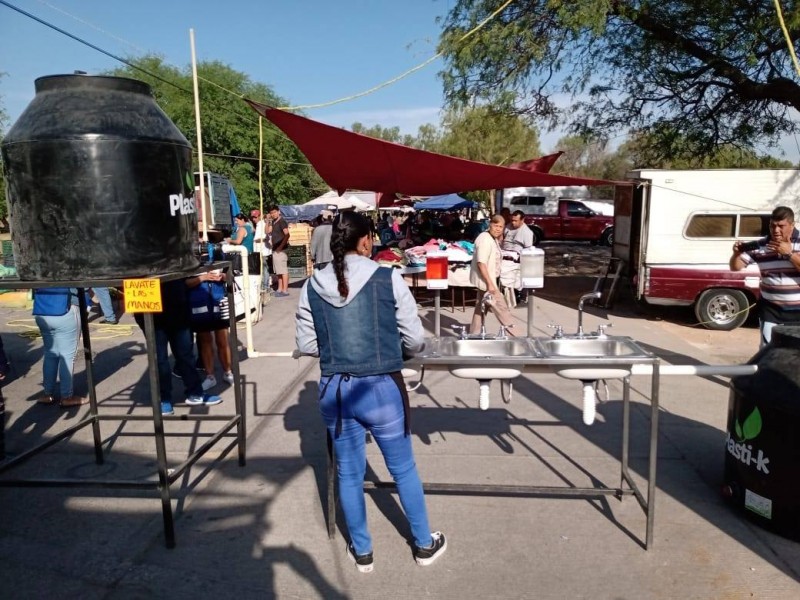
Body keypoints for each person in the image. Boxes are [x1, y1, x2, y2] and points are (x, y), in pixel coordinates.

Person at [295, 211, 446, 573]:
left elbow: (307, 344)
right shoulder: (388, 278)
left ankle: (363, 552)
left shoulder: (312, 285)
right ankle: (423, 544)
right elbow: (414, 340)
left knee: (349, 473)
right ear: (365, 241)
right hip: (382, 390)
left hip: (336, 391)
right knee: (403, 469)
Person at [134, 279, 222, 415]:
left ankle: (195, 392)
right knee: (159, 358)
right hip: (147, 303)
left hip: (176, 304)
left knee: (185, 353)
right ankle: (164, 399)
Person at [730, 205, 800, 346]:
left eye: (781, 226)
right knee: (768, 350)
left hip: (797, 311)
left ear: (792, 225)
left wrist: (789, 254)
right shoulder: (761, 245)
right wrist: (736, 254)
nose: (776, 230)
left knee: (795, 352)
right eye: (772, 226)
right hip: (770, 310)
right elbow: (735, 267)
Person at [31, 287, 87, 407]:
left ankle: (47, 394)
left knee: (50, 354)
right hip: (65, 310)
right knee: (67, 357)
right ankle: (67, 397)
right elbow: (85, 285)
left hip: (42, 311)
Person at [469, 214, 516, 335]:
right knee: (502, 310)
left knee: (480, 309)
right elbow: (481, 263)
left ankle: (473, 334)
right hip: (487, 282)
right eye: (496, 226)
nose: (498, 229)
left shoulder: (491, 238)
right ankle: (516, 336)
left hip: (487, 281)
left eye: (501, 227)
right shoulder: (485, 239)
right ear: (490, 224)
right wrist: (490, 284)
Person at [186, 270, 234, 390]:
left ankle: (228, 372)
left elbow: (231, 276)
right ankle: (210, 377)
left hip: (219, 301)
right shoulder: (189, 261)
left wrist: (223, 276)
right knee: (205, 342)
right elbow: (185, 283)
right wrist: (203, 277)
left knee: (223, 341)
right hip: (198, 303)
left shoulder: (219, 257)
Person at [502, 210, 535, 303]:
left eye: (515, 221)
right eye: (512, 220)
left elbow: (528, 250)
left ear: (522, 220)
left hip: (516, 257)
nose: (513, 222)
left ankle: (521, 295)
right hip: (504, 253)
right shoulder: (508, 226)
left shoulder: (527, 232)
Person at [268, 204, 291, 297]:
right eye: (271, 213)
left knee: (283, 270)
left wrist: (280, 247)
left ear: (278, 212)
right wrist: (268, 221)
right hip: (275, 249)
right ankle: (280, 288)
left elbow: (287, 234)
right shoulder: (274, 222)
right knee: (278, 271)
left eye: (274, 212)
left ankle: (285, 290)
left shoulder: (282, 221)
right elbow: (267, 231)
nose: (273, 214)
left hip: (281, 250)